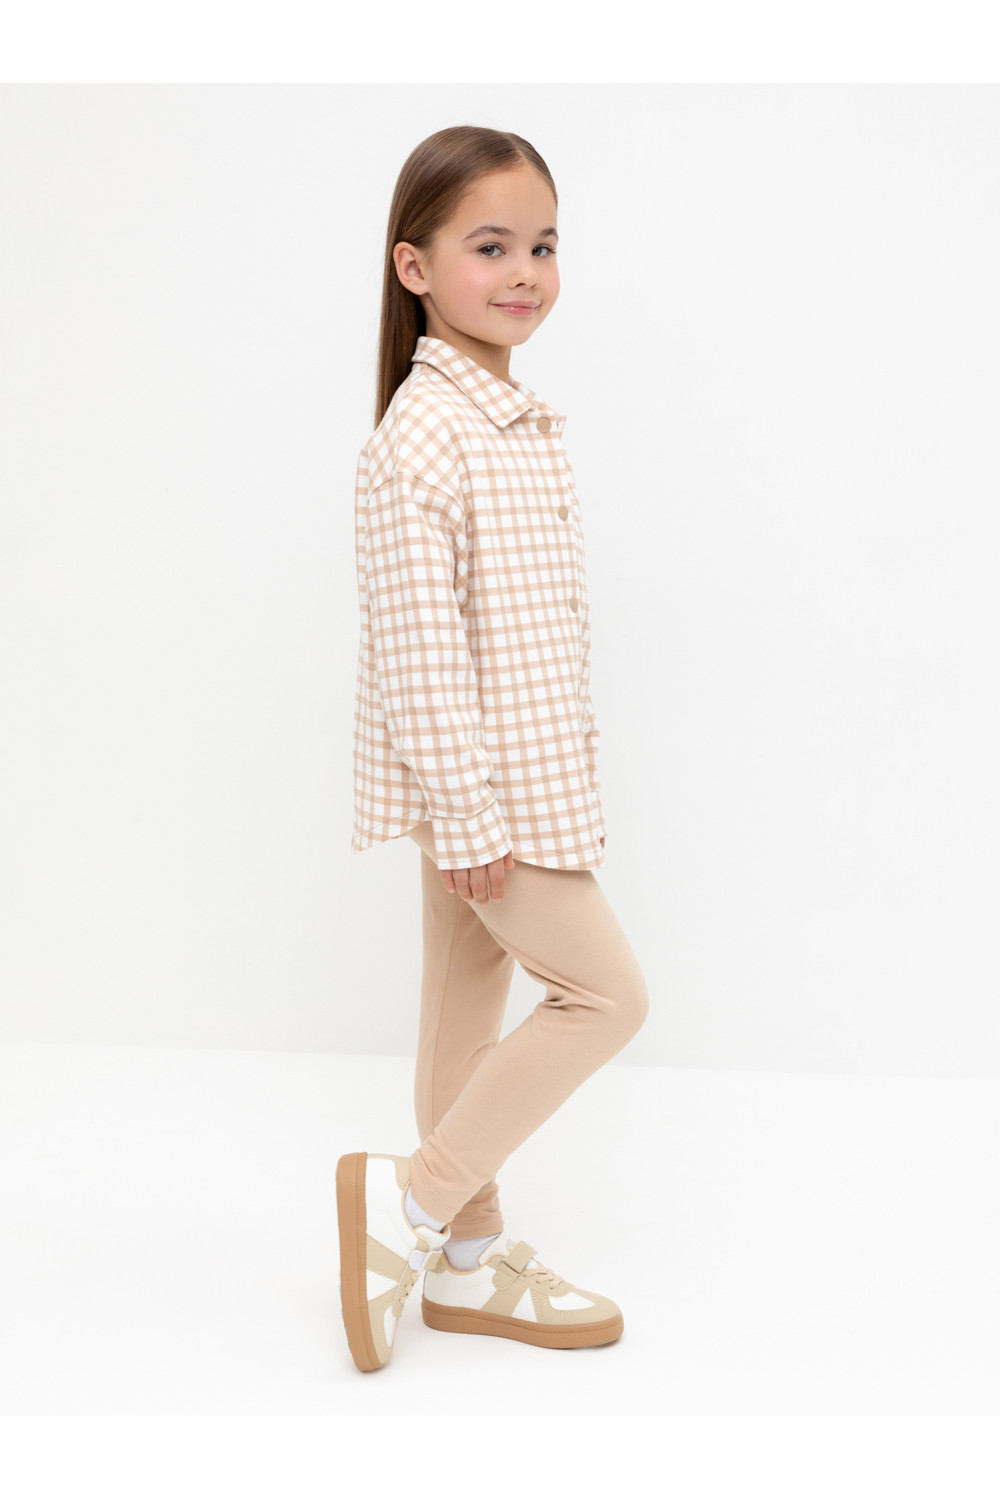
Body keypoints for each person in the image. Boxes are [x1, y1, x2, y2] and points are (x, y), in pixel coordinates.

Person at [336, 125, 649, 1373]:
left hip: (514, 785)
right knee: (606, 997)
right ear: (413, 267)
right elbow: (418, 653)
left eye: (543, 245)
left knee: (464, 1014)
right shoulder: (422, 438)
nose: (524, 272)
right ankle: (413, 1202)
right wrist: (465, 817)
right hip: (487, 801)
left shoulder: (506, 421)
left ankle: (468, 1262)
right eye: (490, 246)